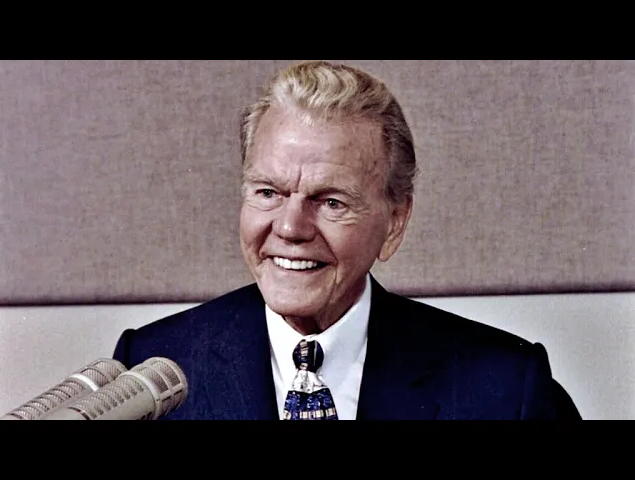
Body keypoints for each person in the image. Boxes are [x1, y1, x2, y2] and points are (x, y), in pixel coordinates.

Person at [112, 60, 582, 420]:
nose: (290, 228)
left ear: (395, 222)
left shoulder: (507, 390)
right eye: (268, 193)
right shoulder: (151, 369)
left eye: (331, 201)